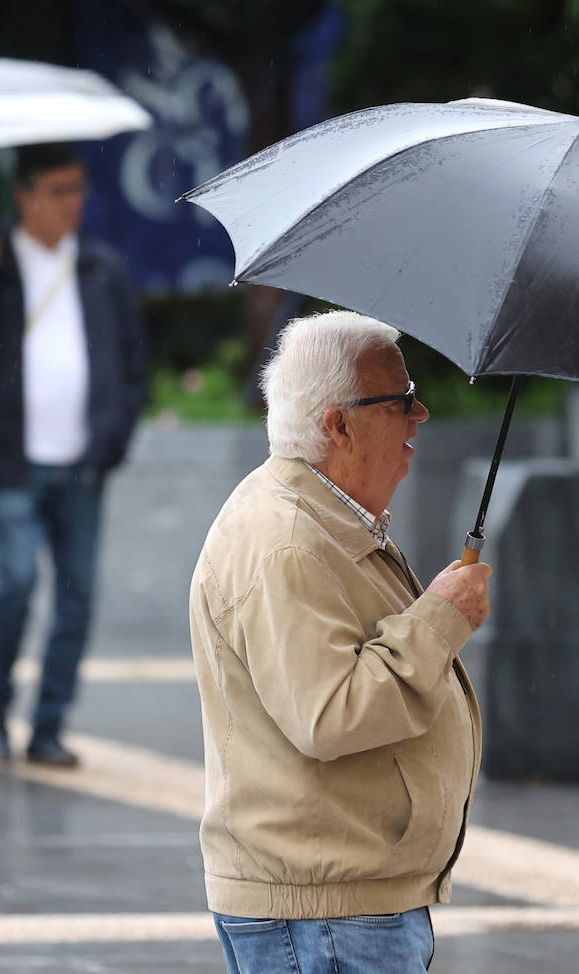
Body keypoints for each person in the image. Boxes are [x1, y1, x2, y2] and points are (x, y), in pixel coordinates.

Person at [189, 310, 493, 973]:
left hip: (344, 903)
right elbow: (329, 714)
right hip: (323, 914)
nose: (422, 416)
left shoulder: (325, 521)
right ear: (338, 424)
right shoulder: (288, 540)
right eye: (400, 401)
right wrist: (440, 619)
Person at [0, 142, 148, 767]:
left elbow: (131, 362)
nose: (74, 203)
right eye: (59, 191)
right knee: (15, 580)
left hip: (82, 464)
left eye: (78, 190)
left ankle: (49, 723)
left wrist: (113, 434)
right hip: (12, 460)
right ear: (25, 196)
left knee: (78, 596)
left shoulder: (100, 267)